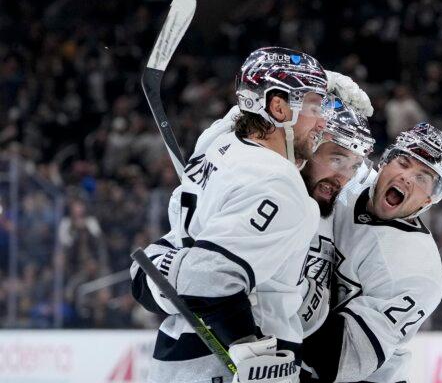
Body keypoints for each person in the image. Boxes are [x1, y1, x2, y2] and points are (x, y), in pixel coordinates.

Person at [130, 47, 328, 383]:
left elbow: (167, 273)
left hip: (177, 359)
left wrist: (155, 270)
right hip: (224, 368)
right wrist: (249, 348)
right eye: (313, 106)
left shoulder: (219, 148)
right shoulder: (275, 179)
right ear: (279, 107)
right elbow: (208, 279)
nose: (322, 120)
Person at [301, 122, 442, 382]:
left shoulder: (420, 272)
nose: (407, 178)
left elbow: (340, 359)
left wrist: (284, 294)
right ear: (383, 163)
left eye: (422, 178)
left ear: (429, 200)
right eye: (404, 163)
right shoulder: (345, 179)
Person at [297, 90, 375, 337]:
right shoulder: (269, 191)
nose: (344, 177)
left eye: (352, 166)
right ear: (310, 146)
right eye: (337, 160)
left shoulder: (343, 205)